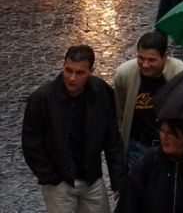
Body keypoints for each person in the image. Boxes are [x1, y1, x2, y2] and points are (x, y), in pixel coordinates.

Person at [22, 44, 125, 213]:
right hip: (59, 182)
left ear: (91, 70)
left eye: (79, 73)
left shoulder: (101, 92)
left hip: (91, 178)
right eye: (68, 70)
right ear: (63, 66)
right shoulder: (42, 99)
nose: (72, 78)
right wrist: (51, 177)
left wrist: (118, 179)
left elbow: (112, 138)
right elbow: (31, 144)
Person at [114, 32, 183, 167]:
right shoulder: (124, 73)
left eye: (151, 60)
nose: (145, 64)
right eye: (141, 58)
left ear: (164, 57)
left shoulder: (182, 74)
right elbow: (119, 112)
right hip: (138, 147)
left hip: (173, 147)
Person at [118, 118, 183, 212]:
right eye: (162, 131)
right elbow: (127, 203)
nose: (164, 138)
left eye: (171, 133)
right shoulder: (149, 162)